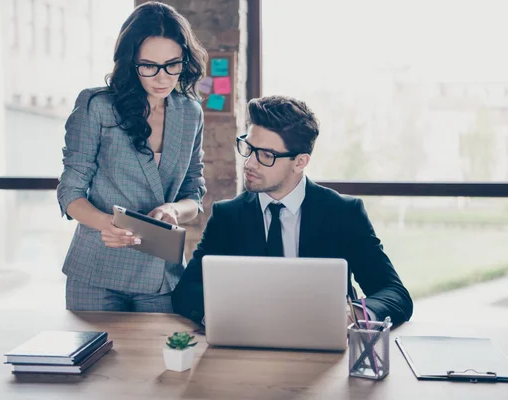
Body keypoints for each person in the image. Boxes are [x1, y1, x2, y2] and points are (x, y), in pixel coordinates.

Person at [172, 95, 413, 325]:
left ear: (300, 162)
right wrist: (222, 317)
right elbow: (187, 292)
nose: (249, 163)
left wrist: (355, 315)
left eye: (266, 155)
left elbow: (394, 293)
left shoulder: (343, 213)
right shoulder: (227, 216)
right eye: (249, 148)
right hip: (246, 345)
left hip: (324, 349)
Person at [57, 2, 207, 312]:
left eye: (172, 64)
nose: (162, 77)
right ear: (130, 62)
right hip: (96, 272)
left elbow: (194, 192)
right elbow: (70, 192)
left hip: (159, 276)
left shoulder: (191, 113)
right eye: (149, 65)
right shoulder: (97, 105)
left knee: (160, 360)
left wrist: (175, 210)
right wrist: (105, 223)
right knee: (97, 361)